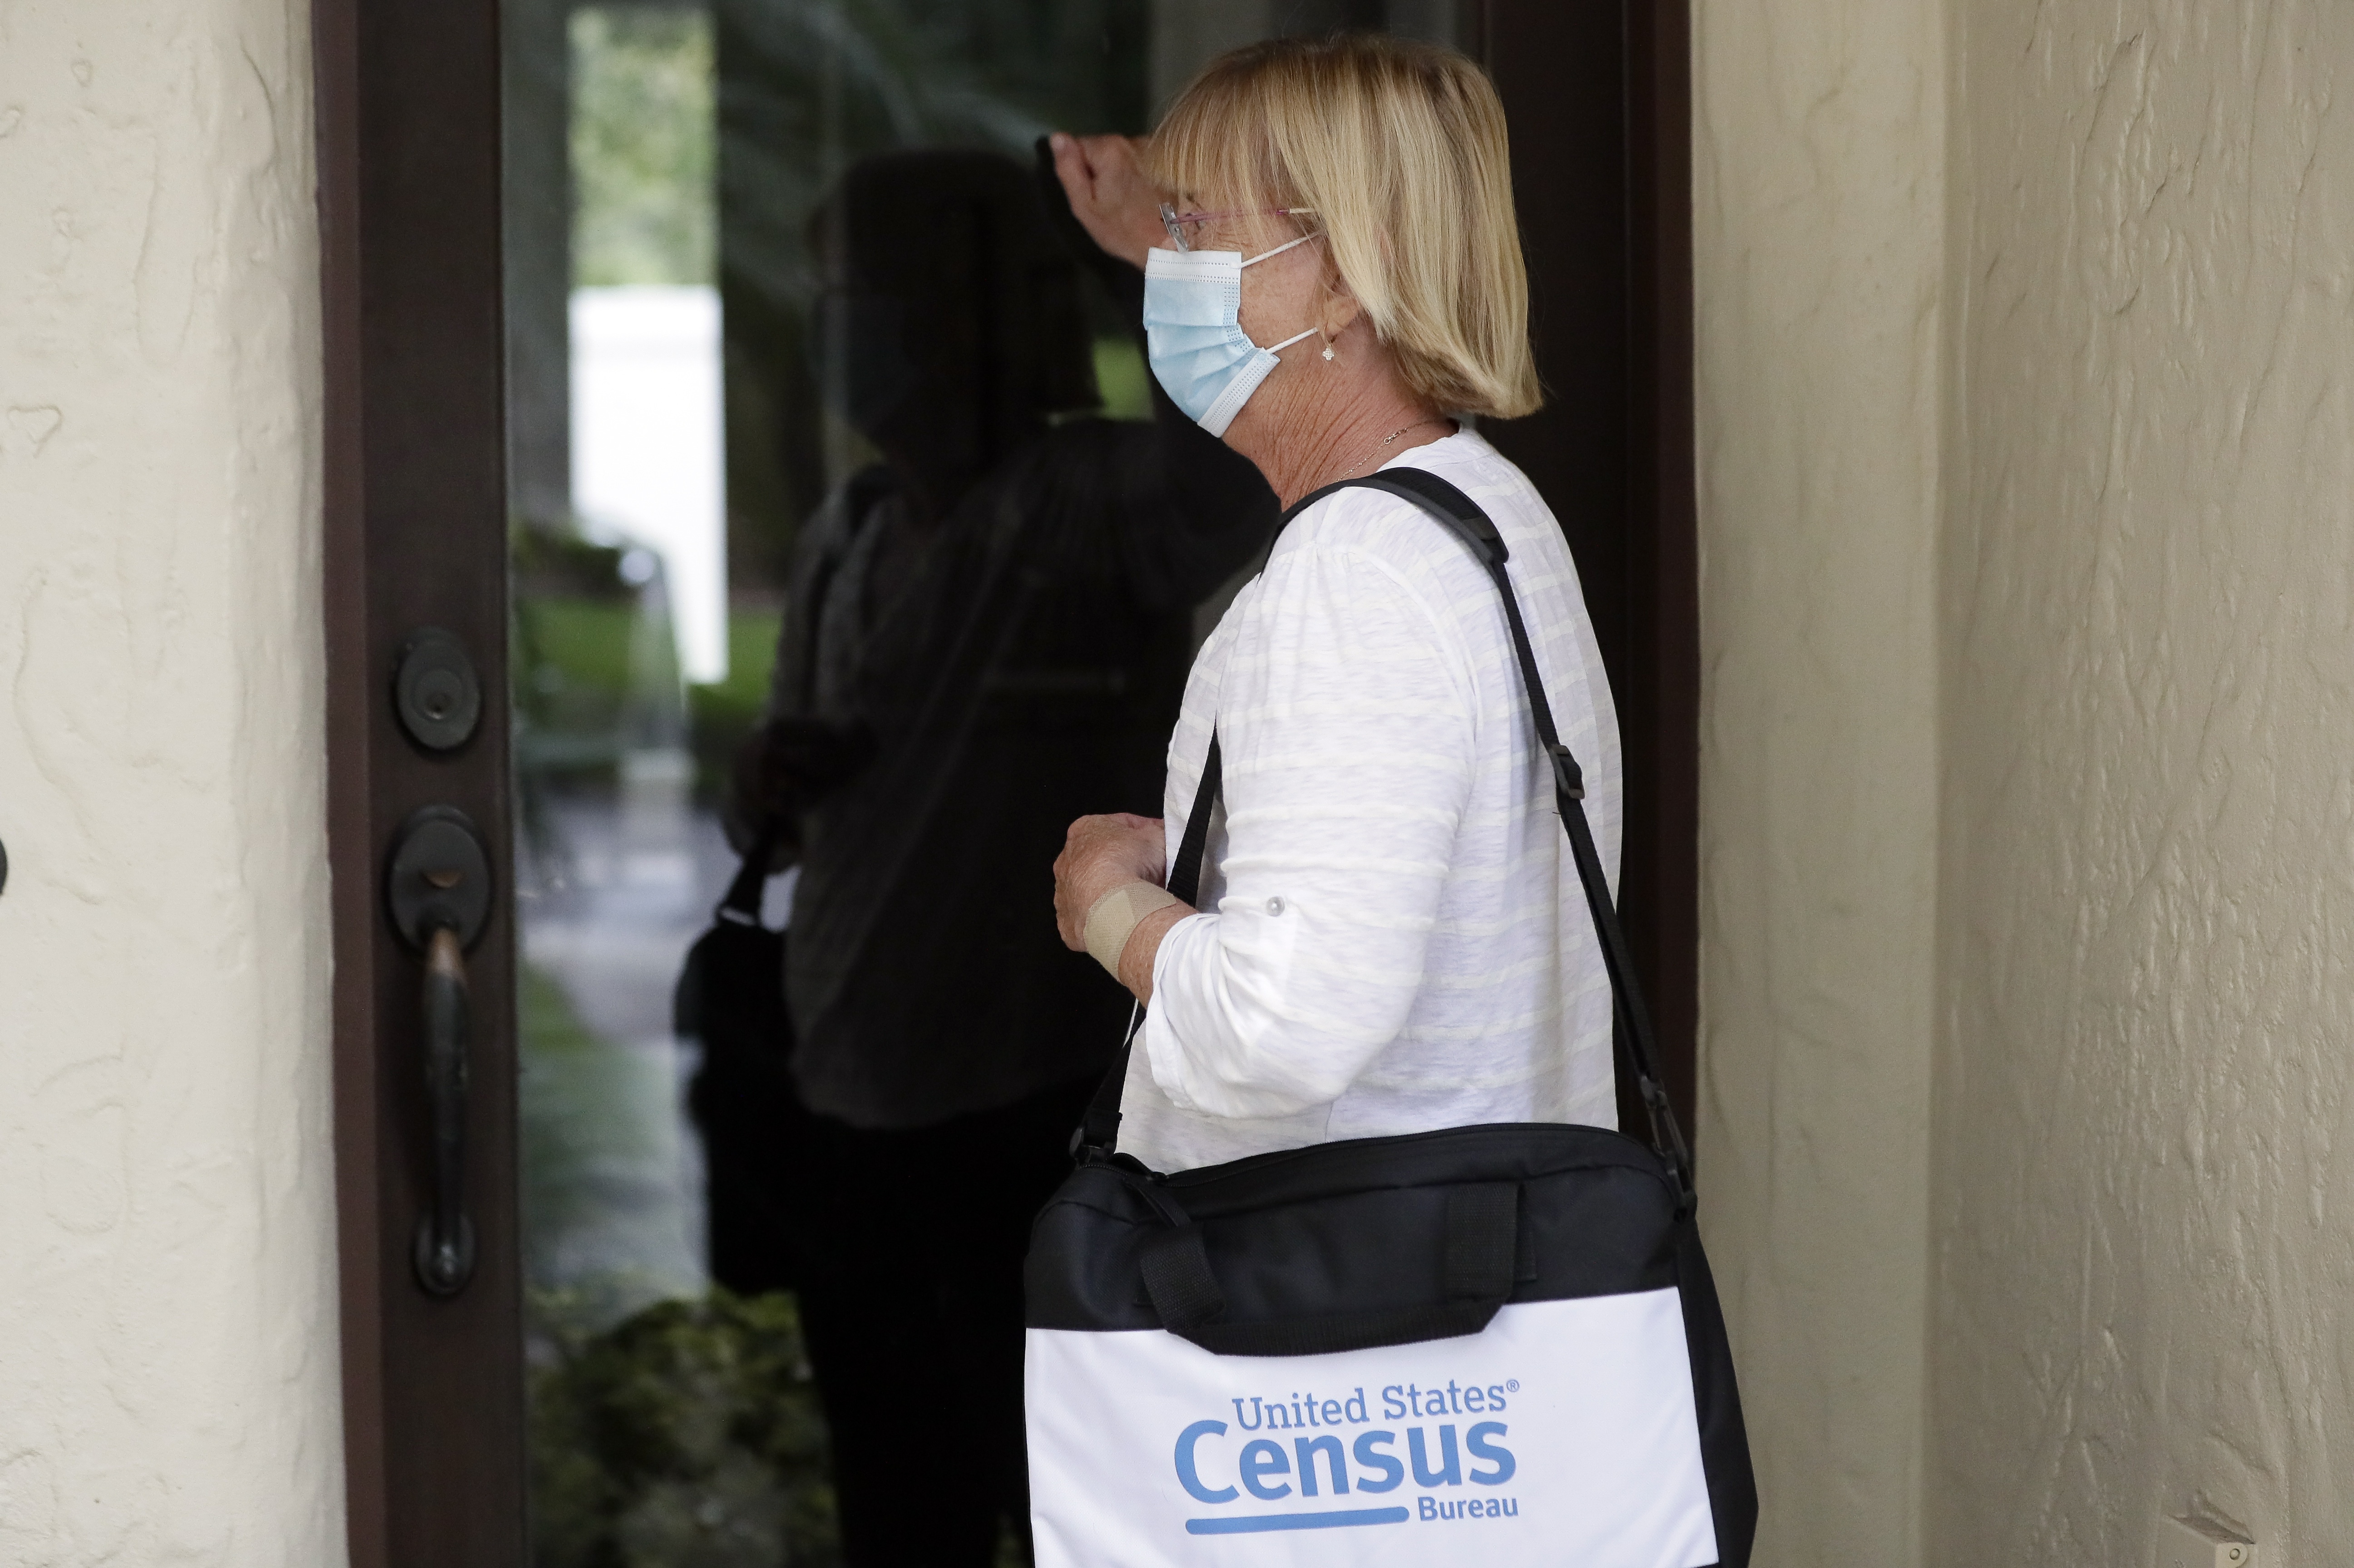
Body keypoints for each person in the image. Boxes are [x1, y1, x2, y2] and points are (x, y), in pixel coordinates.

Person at [732, 147, 1276, 1564]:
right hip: (845, 1112)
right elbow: (801, 792)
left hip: (1014, 1123)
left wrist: (1144, 256)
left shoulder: (1075, 500)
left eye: (869, 293)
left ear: (969, 310)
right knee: (893, 1504)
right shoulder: (852, 532)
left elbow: (1222, 485)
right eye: (829, 291)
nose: (839, 327)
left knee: (1052, 1504)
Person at [1049, 34, 1625, 1174]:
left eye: (1196, 228)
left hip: (1341, 1320)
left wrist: (1107, 905)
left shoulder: (1354, 572)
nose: (1170, 270)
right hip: (1453, 1294)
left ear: (1350, 276)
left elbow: (1280, 1027)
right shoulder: (1478, 507)